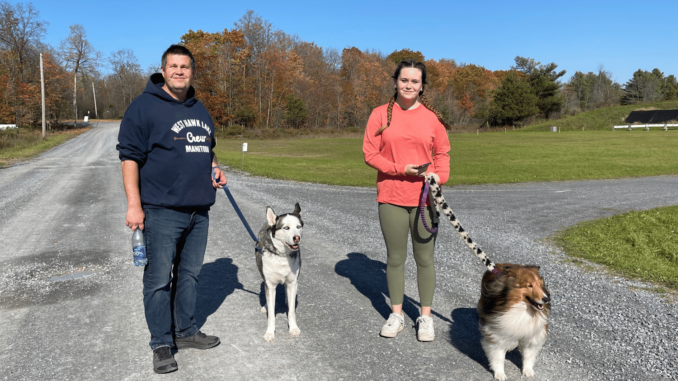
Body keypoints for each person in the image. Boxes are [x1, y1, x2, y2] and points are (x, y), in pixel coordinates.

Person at [117, 44, 227, 374]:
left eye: (186, 67)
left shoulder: (200, 108)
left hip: (199, 211)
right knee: (158, 280)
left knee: (190, 277)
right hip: (161, 210)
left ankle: (186, 330)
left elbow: (207, 150)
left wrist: (216, 167)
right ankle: (162, 343)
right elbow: (129, 158)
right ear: (163, 71)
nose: (180, 71)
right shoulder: (144, 108)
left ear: (192, 72)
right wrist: (134, 206)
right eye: (174, 66)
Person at [362, 59, 451, 342]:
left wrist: (438, 177)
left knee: (425, 259)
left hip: (425, 199)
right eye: (404, 80)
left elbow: (442, 154)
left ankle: (425, 317)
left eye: (415, 81)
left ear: (423, 86)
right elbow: (370, 154)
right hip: (391, 196)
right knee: (396, 258)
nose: (409, 85)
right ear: (395, 82)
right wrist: (402, 169)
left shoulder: (432, 119)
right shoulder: (380, 115)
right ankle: (397, 314)